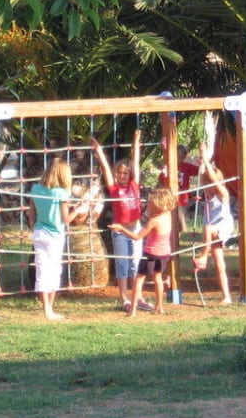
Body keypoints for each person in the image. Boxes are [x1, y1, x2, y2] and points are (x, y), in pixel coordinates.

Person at [91, 131, 143, 313]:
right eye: (119, 173)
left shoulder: (134, 185)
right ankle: (124, 297)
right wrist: (99, 152)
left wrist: (135, 141)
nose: (122, 175)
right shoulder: (114, 189)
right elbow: (106, 169)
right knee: (122, 264)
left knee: (136, 264)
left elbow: (135, 161)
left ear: (130, 174)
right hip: (120, 231)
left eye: (125, 173)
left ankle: (137, 296)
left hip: (135, 230)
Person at [27, 157, 85, 321]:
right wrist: (79, 209)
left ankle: (47, 308)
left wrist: (34, 228)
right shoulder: (62, 193)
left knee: (41, 270)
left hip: (39, 233)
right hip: (55, 236)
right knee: (53, 271)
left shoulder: (35, 189)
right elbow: (66, 220)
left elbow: (31, 214)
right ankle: (49, 309)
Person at [110, 187, 178, 317]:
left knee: (138, 280)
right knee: (158, 278)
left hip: (151, 254)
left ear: (158, 204)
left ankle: (133, 310)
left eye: (150, 202)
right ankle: (159, 307)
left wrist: (121, 229)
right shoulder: (168, 214)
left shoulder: (154, 221)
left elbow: (137, 237)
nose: (148, 204)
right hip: (164, 253)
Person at [191, 146, 235, 304]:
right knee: (219, 264)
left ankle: (203, 256)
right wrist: (202, 162)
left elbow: (214, 179)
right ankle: (226, 296)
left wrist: (206, 158)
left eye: (210, 184)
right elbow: (203, 175)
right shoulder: (206, 193)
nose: (208, 187)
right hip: (211, 231)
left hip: (223, 227)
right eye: (206, 184)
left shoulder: (222, 194)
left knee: (208, 228)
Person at [157, 143, 200, 233]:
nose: (180, 159)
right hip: (170, 198)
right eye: (179, 157)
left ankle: (184, 231)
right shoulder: (168, 167)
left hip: (182, 198)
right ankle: (179, 232)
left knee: (180, 212)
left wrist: (203, 163)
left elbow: (200, 171)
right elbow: (160, 182)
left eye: (182, 158)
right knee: (173, 220)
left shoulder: (186, 166)